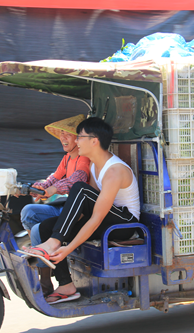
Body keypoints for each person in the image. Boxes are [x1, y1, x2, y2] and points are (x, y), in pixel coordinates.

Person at [20, 117, 140, 304]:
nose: (76, 141)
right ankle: (66, 285)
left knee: (79, 188)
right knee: (46, 227)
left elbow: (96, 218)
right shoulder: (94, 165)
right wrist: (63, 230)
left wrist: (68, 247)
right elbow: (87, 208)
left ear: (94, 141)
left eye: (80, 137)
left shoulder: (114, 171)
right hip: (107, 219)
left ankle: (53, 243)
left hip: (124, 223)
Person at [20, 114, 91, 296]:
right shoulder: (67, 158)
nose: (62, 138)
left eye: (67, 133)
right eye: (61, 134)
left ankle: (44, 276)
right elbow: (52, 178)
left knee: (36, 230)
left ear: (80, 138)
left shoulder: (84, 158)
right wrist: (34, 188)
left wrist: (54, 189)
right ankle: (44, 258)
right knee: (28, 212)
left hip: (80, 210)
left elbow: (77, 180)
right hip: (66, 204)